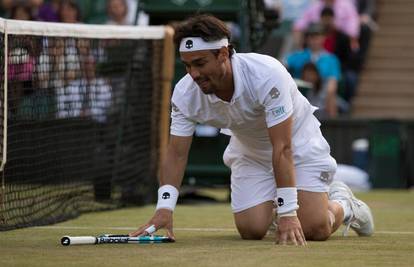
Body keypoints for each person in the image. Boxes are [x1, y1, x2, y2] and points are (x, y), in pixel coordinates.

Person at [130, 14, 374, 245]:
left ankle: (345, 205)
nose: (194, 74)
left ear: (223, 54)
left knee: (315, 229)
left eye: (200, 63)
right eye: (187, 66)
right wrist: (165, 208)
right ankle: (286, 205)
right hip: (250, 152)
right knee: (252, 230)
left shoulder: (266, 74)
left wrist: (289, 212)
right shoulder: (185, 94)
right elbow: (176, 153)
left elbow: (283, 146)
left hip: (297, 144)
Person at [285, 23, 341, 117]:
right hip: (299, 98)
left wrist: (329, 96)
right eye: (311, 36)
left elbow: (332, 85)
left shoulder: (331, 59)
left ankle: (331, 126)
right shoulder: (297, 56)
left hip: (321, 99)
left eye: (317, 36)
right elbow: (281, 66)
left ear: (324, 37)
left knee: (332, 96)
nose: (314, 40)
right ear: (307, 38)